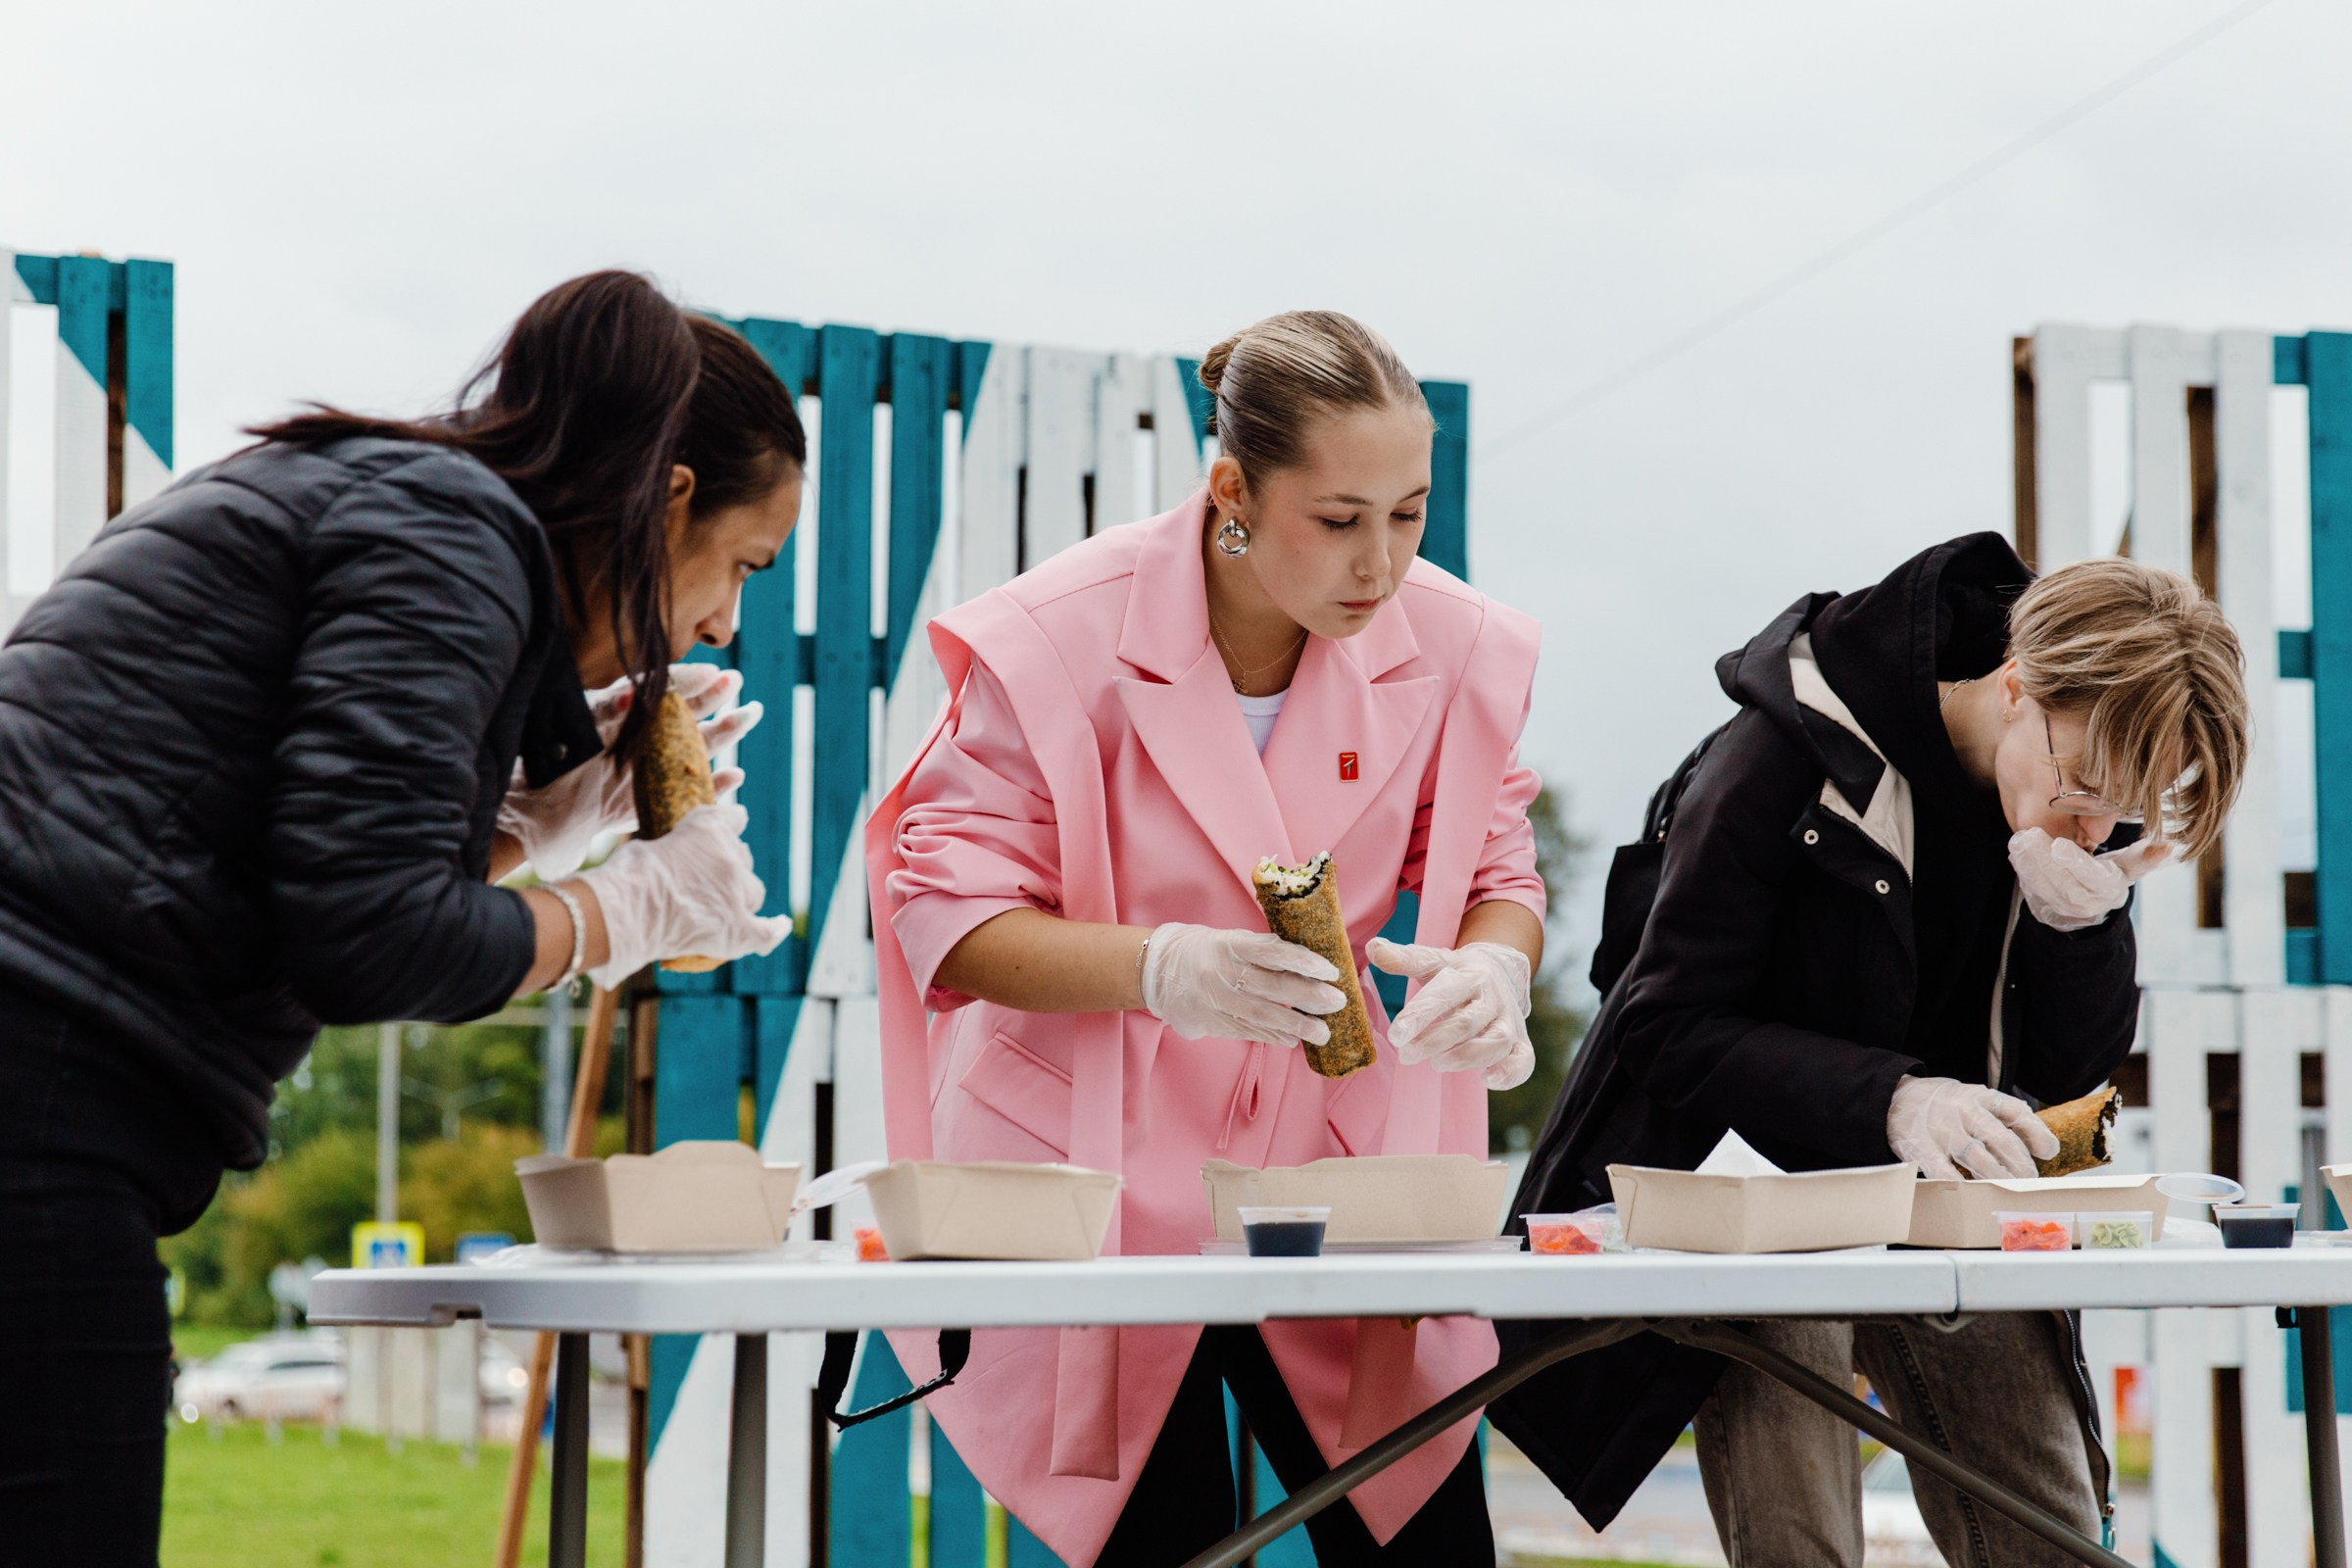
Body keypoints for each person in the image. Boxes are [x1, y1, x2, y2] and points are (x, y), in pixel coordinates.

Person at [0, 270, 799, 1564]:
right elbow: (370, 940)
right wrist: (621, 908)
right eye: (744, 566)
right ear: (669, 499)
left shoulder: (396, 507)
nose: (723, 622)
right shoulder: (452, 534)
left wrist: (526, 827)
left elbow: (283, 868)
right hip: (39, 1093)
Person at [867, 311, 1545, 1566]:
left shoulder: (1455, 644)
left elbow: (1495, 864)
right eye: (1339, 519)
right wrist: (1160, 967)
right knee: (1162, 1543)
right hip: (1094, 1173)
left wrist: (1495, 963)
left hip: (1334, 1175)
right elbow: (946, 915)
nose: (1383, 564)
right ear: (1231, 489)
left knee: (1430, 1546)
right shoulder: (1058, 634)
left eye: (1410, 513)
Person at [1494, 534, 2248, 1567]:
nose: (2096, 820)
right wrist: (1896, 1099)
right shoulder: (1784, 755)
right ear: (2019, 684)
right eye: (2084, 781)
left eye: (2130, 806)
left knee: (2051, 1533)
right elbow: (1662, 1027)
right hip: (1756, 1205)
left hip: (1949, 1208)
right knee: (1800, 1538)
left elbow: (2071, 1085)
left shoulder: (2080, 826)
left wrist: (2086, 929)